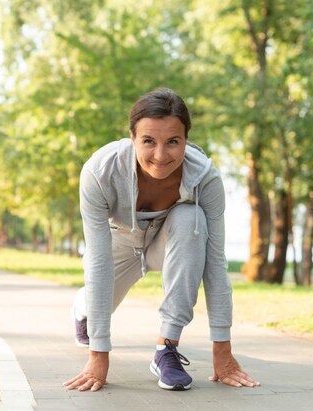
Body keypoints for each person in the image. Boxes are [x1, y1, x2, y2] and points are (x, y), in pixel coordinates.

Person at [63, 88, 260, 392]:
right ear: (132, 138)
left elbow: (215, 264)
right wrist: (99, 355)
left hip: (166, 243)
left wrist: (223, 353)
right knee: (94, 297)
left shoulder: (205, 179)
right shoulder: (100, 172)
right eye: (148, 142)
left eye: (172, 142)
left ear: (186, 139)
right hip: (121, 244)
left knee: (191, 218)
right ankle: (82, 309)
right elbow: (99, 261)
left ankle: (166, 349)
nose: (160, 155)